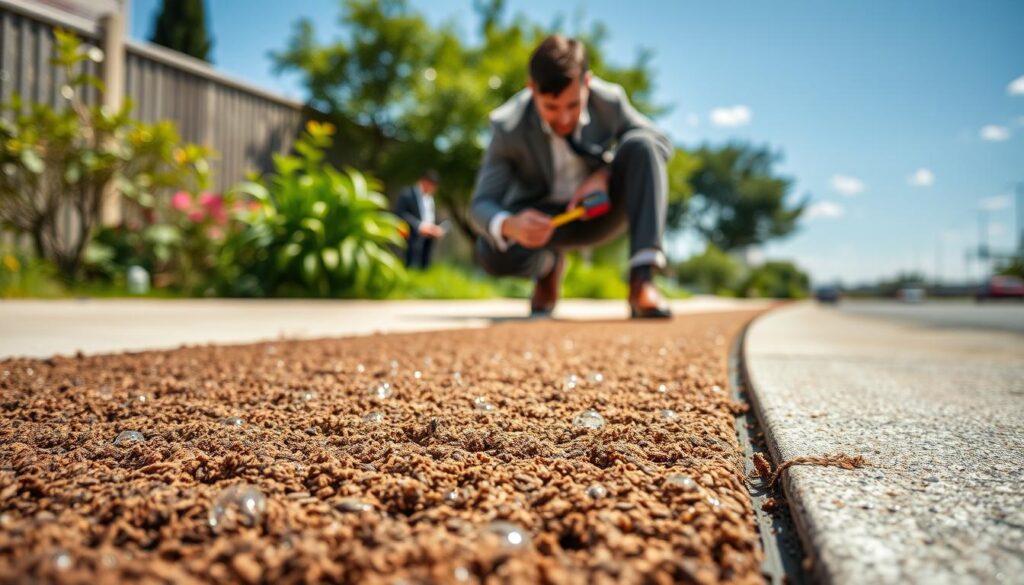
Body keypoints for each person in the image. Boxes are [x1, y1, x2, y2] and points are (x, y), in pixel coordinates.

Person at [469, 34, 673, 319]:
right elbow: (481, 204)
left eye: (573, 105)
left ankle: (642, 279)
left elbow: (661, 142)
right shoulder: (508, 126)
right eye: (551, 107)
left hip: (601, 212)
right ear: (532, 89)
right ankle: (548, 268)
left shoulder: (610, 101)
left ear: (587, 84)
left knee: (642, 144)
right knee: (490, 249)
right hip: (544, 225)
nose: (564, 119)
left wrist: (605, 173)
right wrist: (511, 225)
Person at [395, 170, 446, 269]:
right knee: (409, 265)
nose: (433, 189)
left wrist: (435, 228)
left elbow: (429, 216)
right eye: (432, 185)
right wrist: (419, 226)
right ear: (424, 181)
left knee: (424, 266)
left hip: (427, 239)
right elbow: (400, 214)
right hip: (410, 237)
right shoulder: (407, 194)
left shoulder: (430, 198)